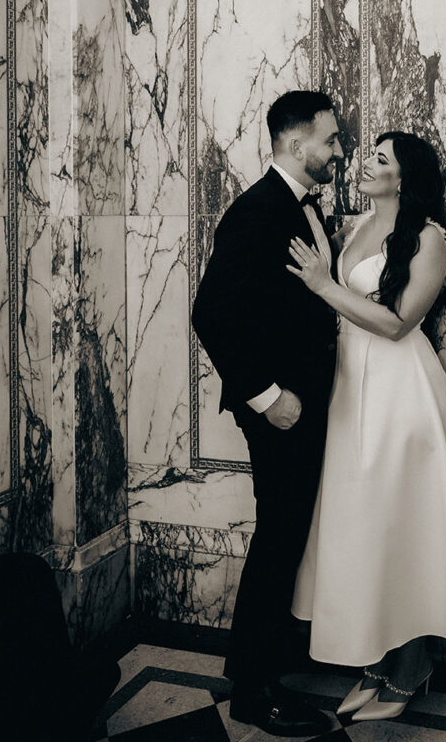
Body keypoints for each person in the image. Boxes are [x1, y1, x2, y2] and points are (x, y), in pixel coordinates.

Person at [288, 131, 446, 722]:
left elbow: (399, 323)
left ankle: (412, 667)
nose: (366, 163)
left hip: (400, 392)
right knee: (368, 527)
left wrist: (325, 285)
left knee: (403, 524)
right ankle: (378, 663)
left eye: (382, 158)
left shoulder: (429, 237)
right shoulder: (354, 228)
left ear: (404, 177)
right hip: (351, 391)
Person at [191, 90, 343, 736]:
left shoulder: (302, 208)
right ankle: (254, 691)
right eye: (331, 140)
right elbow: (210, 313)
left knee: (286, 539)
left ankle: (263, 668)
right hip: (280, 409)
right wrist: (266, 397)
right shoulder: (255, 211)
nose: (339, 151)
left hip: (307, 406)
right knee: (277, 540)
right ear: (294, 142)